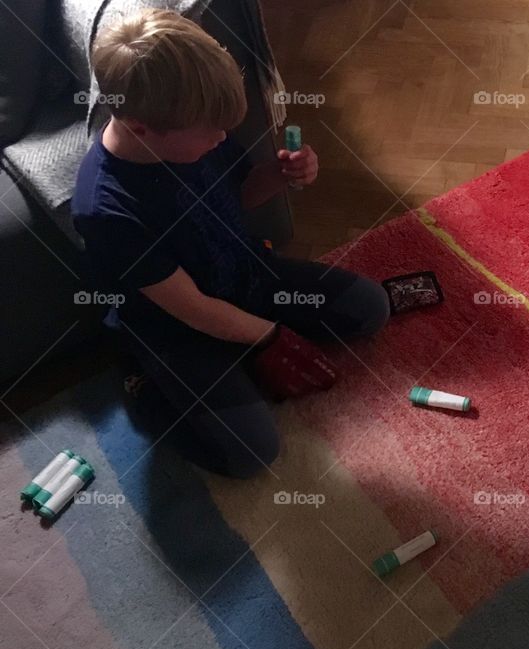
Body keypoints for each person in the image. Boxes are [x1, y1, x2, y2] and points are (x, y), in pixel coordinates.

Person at [72, 9, 390, 478]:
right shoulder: (106, 209)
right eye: (209, 132)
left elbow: (235, 196)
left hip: (244, 273)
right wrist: (271, 337)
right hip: (177, 325)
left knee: (371, 308)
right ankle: (151, 390)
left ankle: (232, 361)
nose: (221, 137)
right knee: (251, 451)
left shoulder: (195, 124)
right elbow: (193, 309)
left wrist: (280, 176)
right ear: (142, 127)